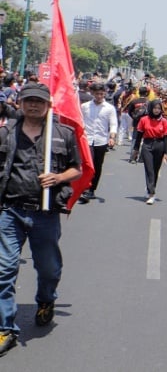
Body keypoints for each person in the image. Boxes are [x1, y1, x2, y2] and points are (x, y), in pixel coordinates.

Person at [0, 83, 82, 357]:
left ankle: (46, 300)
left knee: (48, 269)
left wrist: (58, 178)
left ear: (48, 104)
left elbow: (77, 169)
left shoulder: (63, 134)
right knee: (3, 271)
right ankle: (6, 328)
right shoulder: (6, 132)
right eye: (28, 100)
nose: (33, 105)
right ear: (20, 103)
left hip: (45, 213)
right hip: (10, 211)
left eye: (38, 101)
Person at [78, 82, 117, 203]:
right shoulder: (85, 106)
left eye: (101, 94)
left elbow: (113, 124)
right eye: (97, 94)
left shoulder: (109, 108)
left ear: (104, 93)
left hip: (101, 140)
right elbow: (79, 120)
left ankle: (92, 189)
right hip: (87, 139)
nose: (99, 96)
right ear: (92, 94)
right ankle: (85, 188)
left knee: (97, 165)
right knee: (87, 164)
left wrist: (112, 137)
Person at [135, 100, 167, 204]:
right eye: (154, 108)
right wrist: (136, 150)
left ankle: (150, 188)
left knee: (155, 170)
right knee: (149, 169)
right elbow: (138, 136)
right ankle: (152, 194)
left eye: (158, 108)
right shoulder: (144, 120)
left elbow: (166, 138)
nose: (156, 110)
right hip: (147, 145)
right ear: (151, 108)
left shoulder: (164, 121)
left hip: (159, 145)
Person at [125, 86, 150, 163]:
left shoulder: (134, 101)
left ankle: (132, 157)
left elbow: (129, 111)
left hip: (136, 123)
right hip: (146, 124)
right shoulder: (149, 102)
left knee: (135, 140)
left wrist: (134, 117)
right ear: (146, 93)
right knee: (145, 141)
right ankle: (142, 158)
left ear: (139, 93)